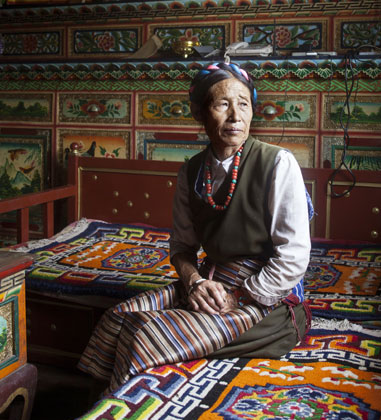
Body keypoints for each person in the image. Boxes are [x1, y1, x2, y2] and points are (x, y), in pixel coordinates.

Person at [78, 62, 312, 392]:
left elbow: (294, 256)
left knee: (146, 332)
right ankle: (102, 400)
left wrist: (238, 295)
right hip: (209, 282)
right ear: (201, 114)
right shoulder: (192, 172)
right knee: (119, 317)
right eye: (222, 104)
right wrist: (195, 283)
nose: (235, 116)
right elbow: (182, 247)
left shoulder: (276, 163)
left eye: (244, 104)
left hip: (263, 298)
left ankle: (116, 410)